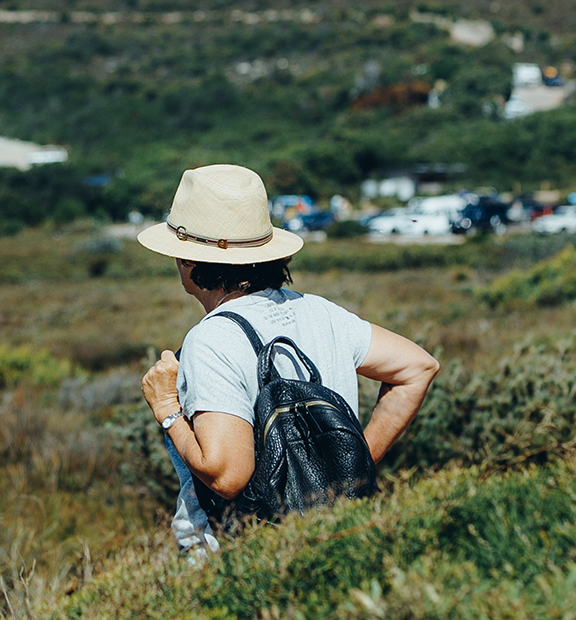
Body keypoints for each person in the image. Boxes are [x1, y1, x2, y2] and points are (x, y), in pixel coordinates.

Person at [136, 164, 439, 555]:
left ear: (189, 262)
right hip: (333, 537)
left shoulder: (211, 339)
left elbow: (227, 475)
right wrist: (347, 472)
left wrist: (167, 409)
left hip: (241, 562)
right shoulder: (322, 312)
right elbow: (417, 367)